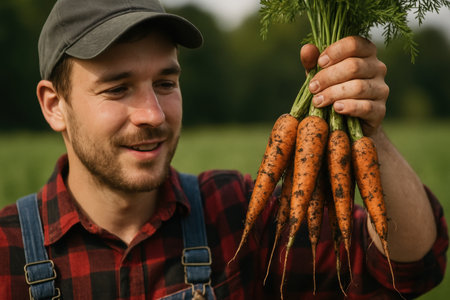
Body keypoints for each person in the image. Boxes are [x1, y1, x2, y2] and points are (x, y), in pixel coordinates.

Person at [0, 0, 447, 299]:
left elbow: (407, 269)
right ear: (54, 106)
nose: (153, 114)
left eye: (165, 83)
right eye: (117, 89)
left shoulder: (232, 213)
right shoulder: (7, 250)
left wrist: (368, 129)